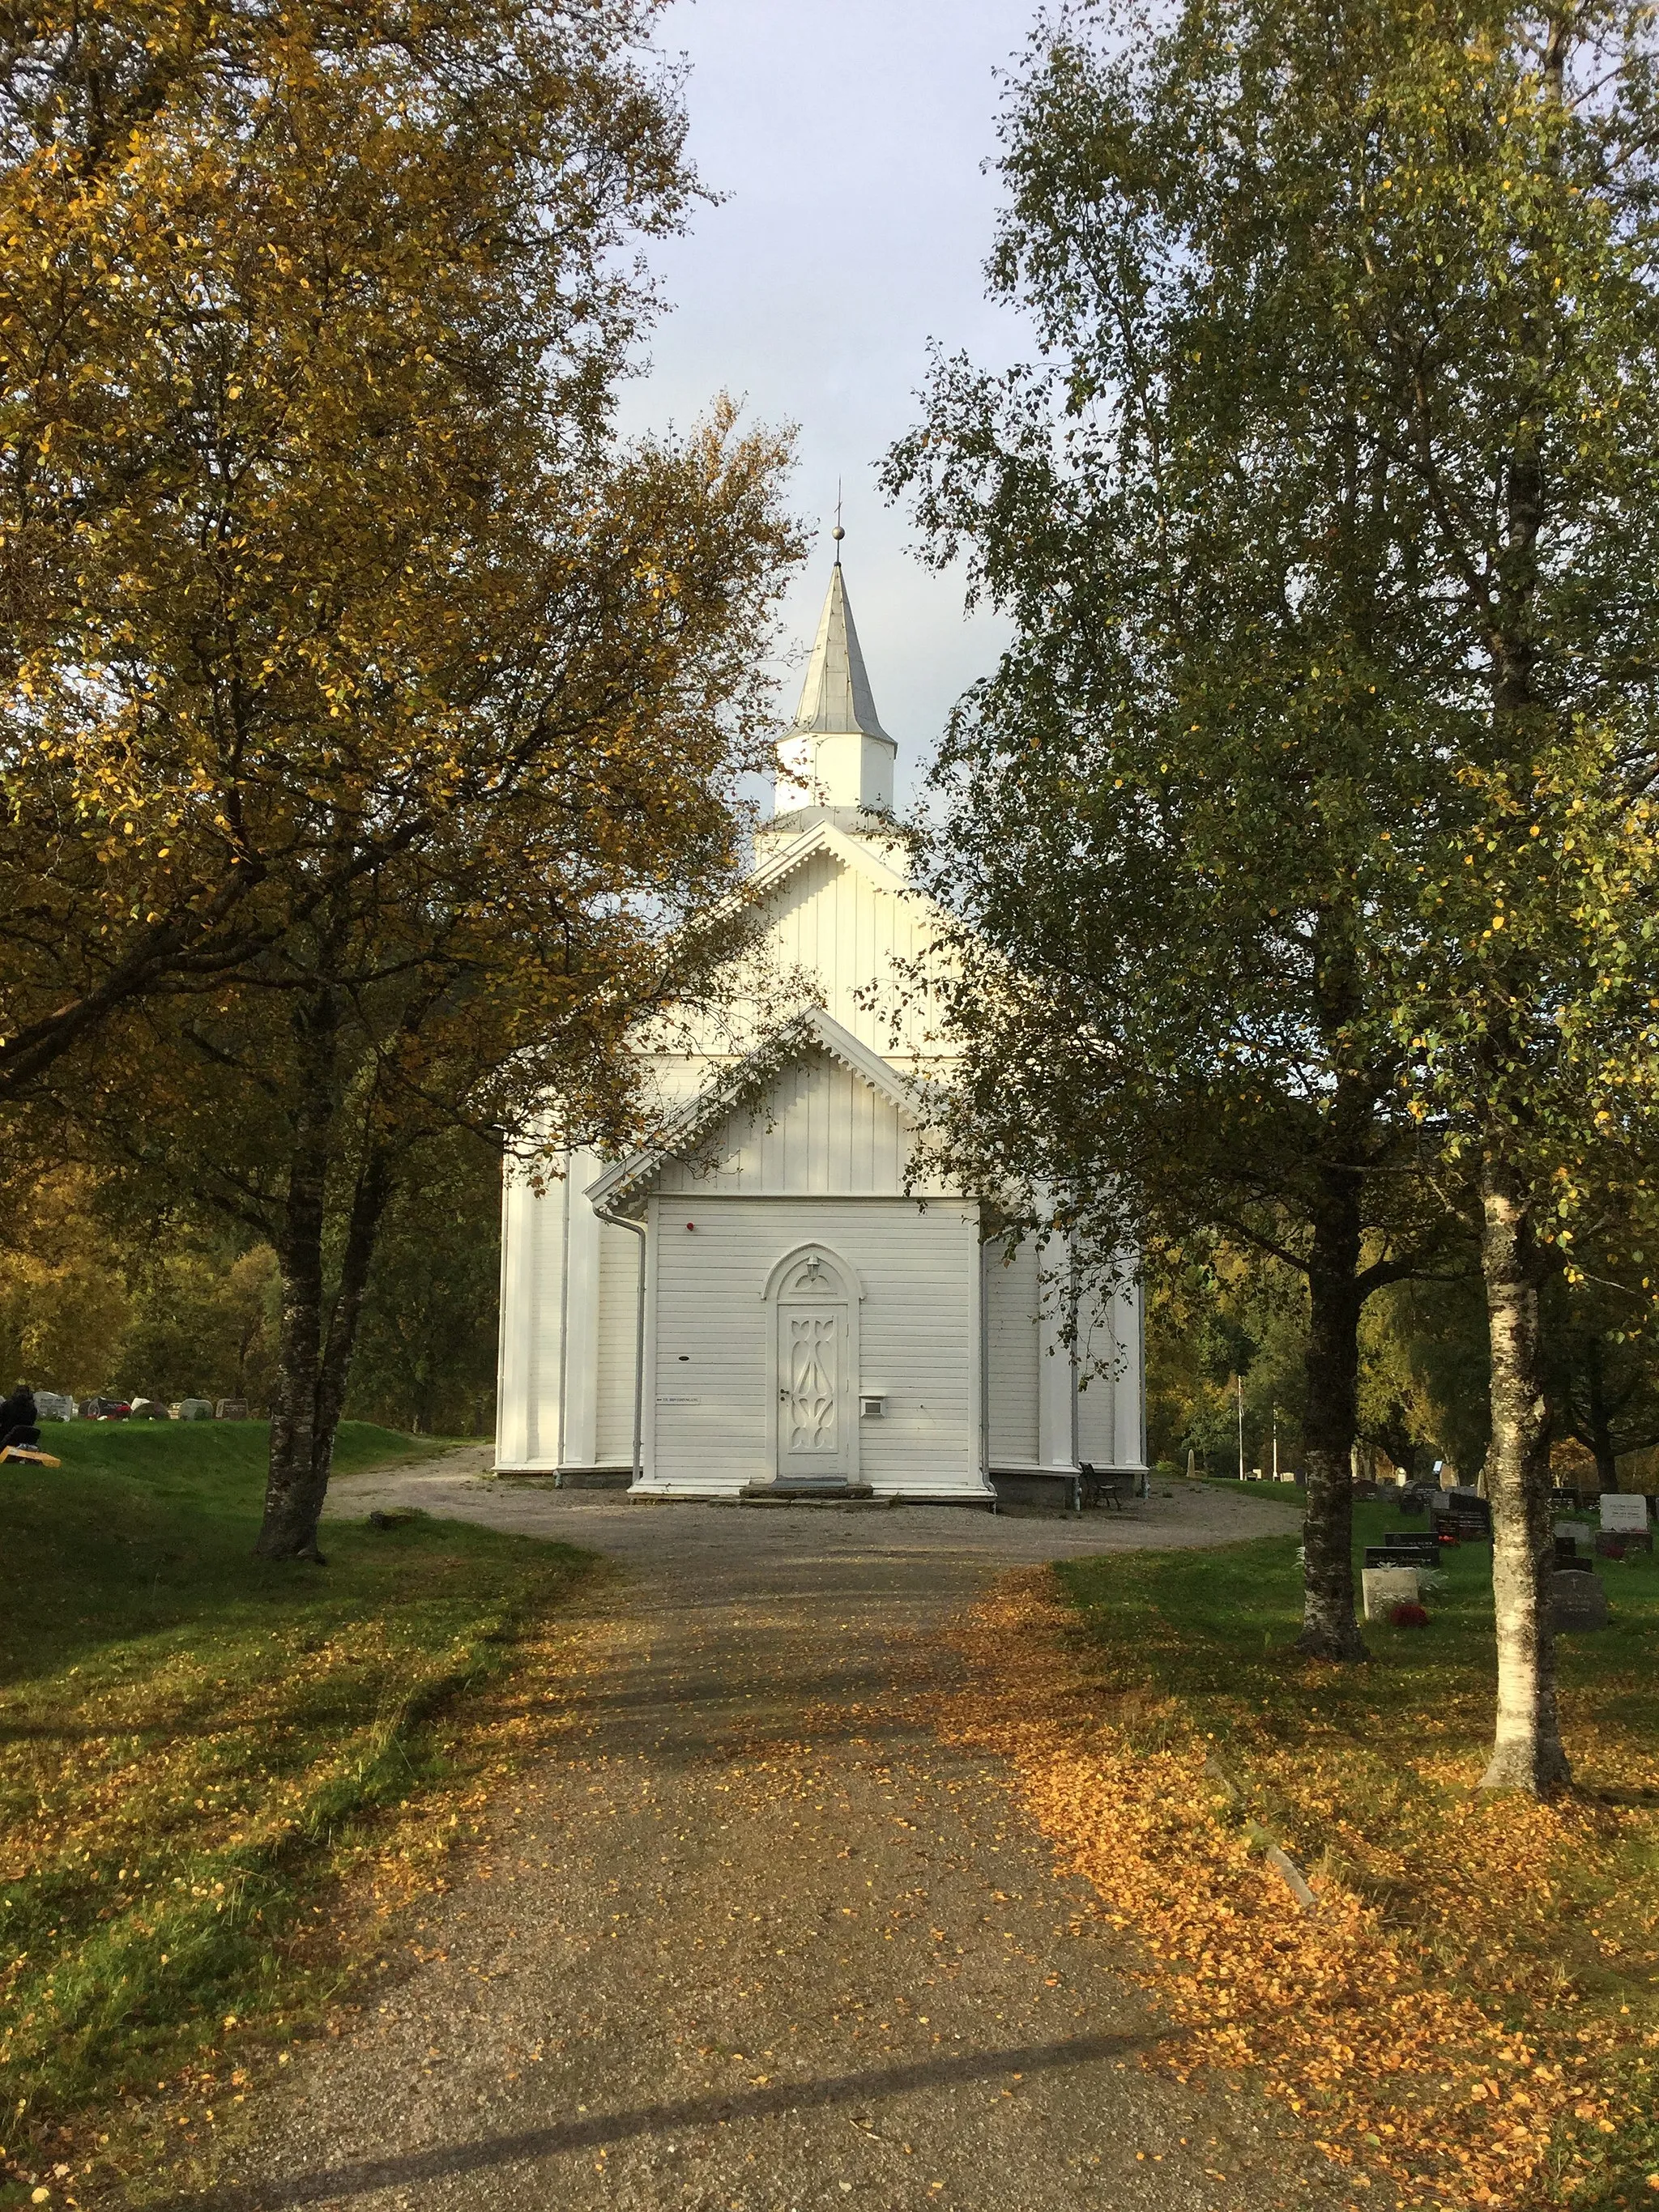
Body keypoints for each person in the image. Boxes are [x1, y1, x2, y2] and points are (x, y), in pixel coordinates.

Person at [0, 1378, 40, 1450]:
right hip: (25, 1438)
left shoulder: (7, 1405)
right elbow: (32, 1422)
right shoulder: (32, 1408)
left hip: (6, 1437)